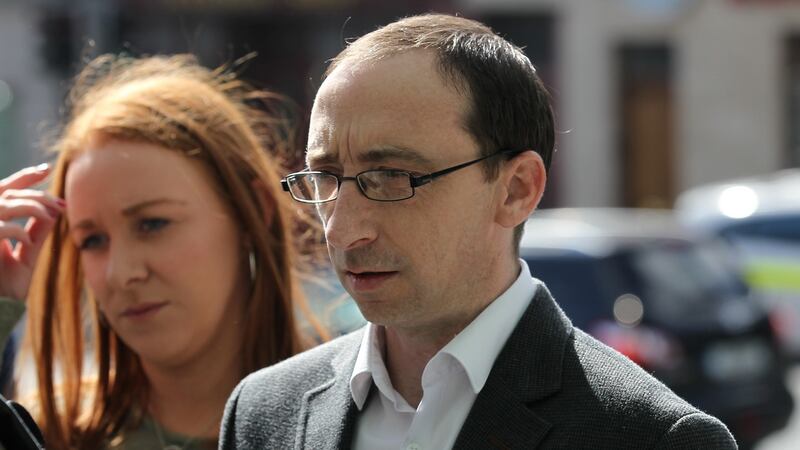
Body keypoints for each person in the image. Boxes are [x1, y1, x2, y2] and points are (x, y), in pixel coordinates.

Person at [220, 13, 738, 449]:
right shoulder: (263, 414)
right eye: (325, 179)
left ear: (517, 189)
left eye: (393, 178)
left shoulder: (654, 437)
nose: (343, 230)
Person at [0, 53, 322, 449]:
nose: (121, 273)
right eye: (93, 241)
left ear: (253, 210)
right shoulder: (40, 433)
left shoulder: (357, 418)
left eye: (153, 224)